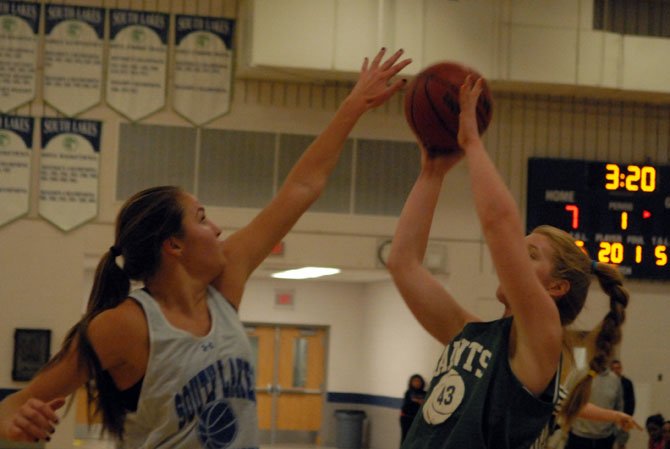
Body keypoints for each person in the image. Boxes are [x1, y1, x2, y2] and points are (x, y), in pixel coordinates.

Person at [0, 48, 412, 448]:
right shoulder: (125, 325)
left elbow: (302, 187)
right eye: (201, 218)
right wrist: (15, 417)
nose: (216, 229)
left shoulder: (223, 286)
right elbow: (20, 401)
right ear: (173, 245)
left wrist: (353, 107)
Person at [387, 75, 630, 449]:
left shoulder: (542, 337)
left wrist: (471, 143)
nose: (514, 255)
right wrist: (431, 171)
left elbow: (499, 224)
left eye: (530, 253)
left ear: (556, 287)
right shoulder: (470, 331)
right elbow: (404, 264)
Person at [563, 367, 623, 449]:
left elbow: (619, 407)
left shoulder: (614, 379)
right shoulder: (578, 374)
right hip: (578, 438)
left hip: (604, 440)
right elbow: (568, 405)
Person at [611, 359, 636, 449]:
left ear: (621, 369)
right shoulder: (608, 383)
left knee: (622, 442)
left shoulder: (627, 383)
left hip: (623, 418)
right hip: (611, 418)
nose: (615, 370)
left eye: (617, 368)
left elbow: (631, 401)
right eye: (613, 368)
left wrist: (628, 417)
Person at [400, 374, 427, 445]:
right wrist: (418, 401)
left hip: (419, 420)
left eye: (419, 381)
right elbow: (407, 404)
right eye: (415, 381)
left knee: (417, 439)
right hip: (407, 418)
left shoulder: (425, 393)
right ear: (411, 382)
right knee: (405, 438)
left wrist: (416, 401)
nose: (417, 383)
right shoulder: (408, 393)